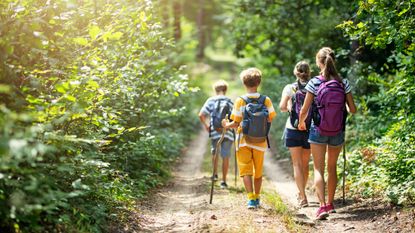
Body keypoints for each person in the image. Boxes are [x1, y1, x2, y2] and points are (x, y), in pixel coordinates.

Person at [298, 47, 357, 219]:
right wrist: (338, 110)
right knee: (332, 168)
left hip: (318, 129)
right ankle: (331, 204)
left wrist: (302, 123)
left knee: (318, 168)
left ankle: (322, 206)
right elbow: (353, 109)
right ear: (333, 61)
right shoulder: (342, 82)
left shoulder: (314, 82)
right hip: (337, 130)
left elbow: (304, 109)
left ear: (318, 62)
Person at [222, 68, 276, 209]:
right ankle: (258, 197)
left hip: (243, 141)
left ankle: (251, 199)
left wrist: (226, 125)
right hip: (260, 141)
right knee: (258, 171)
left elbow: (235, 123)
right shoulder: (266, 100)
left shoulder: (240, 101)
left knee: (246, 170)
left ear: (244, 84)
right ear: (259, 82)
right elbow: (271, 117)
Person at [279, 61, 311, 208]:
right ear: (309, 72)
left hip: (293, 128)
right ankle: (301, 192)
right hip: (310, 129)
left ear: (295, 72)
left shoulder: (289, 87)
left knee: (297, 165)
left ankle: (302, 196)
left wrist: (291, 110)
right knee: (305, 165)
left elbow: (282, 107)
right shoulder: (315, 85)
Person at [199, 80, 234, 189]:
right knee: (226, 155)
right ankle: (224, 181)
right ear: (225, 90)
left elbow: (201, 114)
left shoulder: (211, 100)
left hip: (214, 132)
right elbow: (236, 117)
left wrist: (207, 126)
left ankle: (214, 174)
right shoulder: (229, 101)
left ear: (215, 90)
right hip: (227, 132)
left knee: (215, 153)